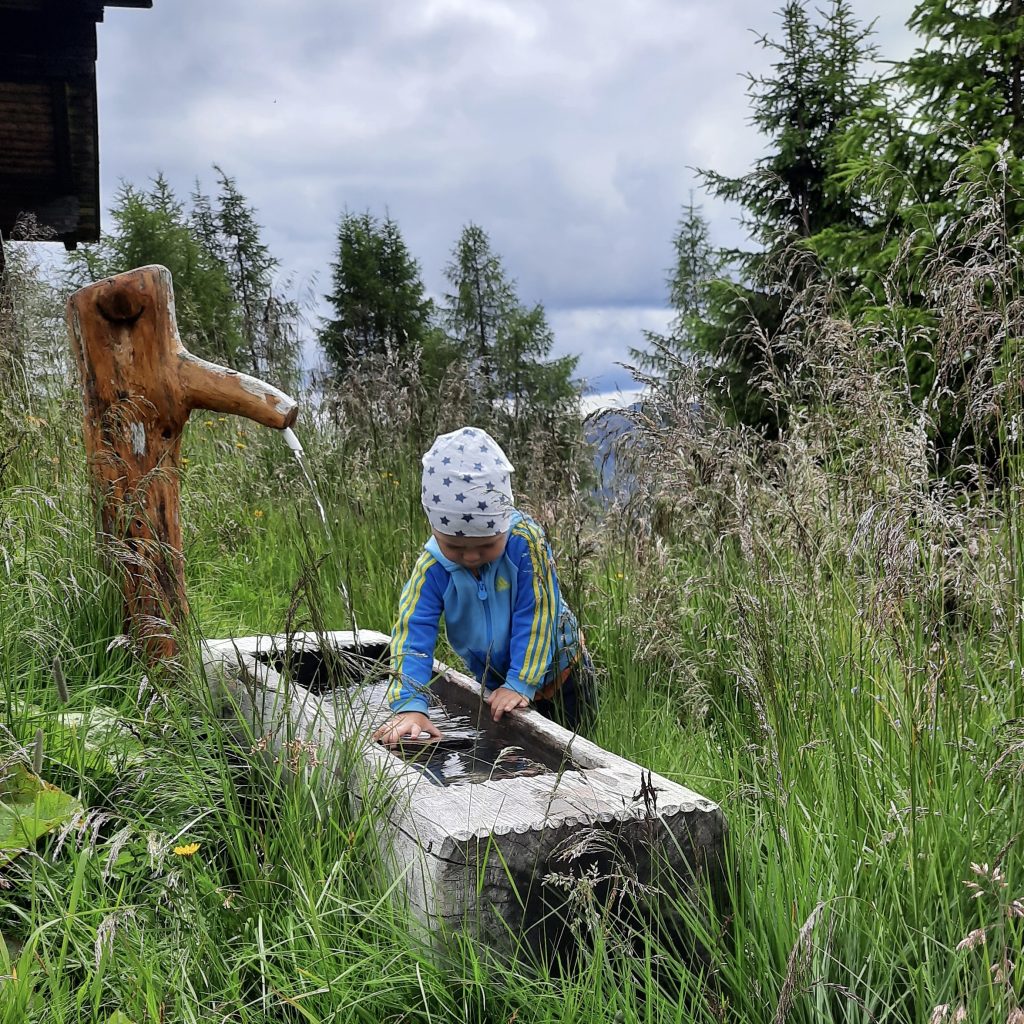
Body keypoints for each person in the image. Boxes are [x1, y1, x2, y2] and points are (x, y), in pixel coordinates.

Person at [373, 427, 595, 746]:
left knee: (572, 750)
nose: (472, 556)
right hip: (495, 678)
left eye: (488, 545)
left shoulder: (524, 545)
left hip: (562, 673)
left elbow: (536, 613)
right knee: (512, 753)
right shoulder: (433, 566)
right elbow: (413, 631)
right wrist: (410, 705)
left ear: (503, 523)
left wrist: (521, 682)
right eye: (455, 548)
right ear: (435, 530)